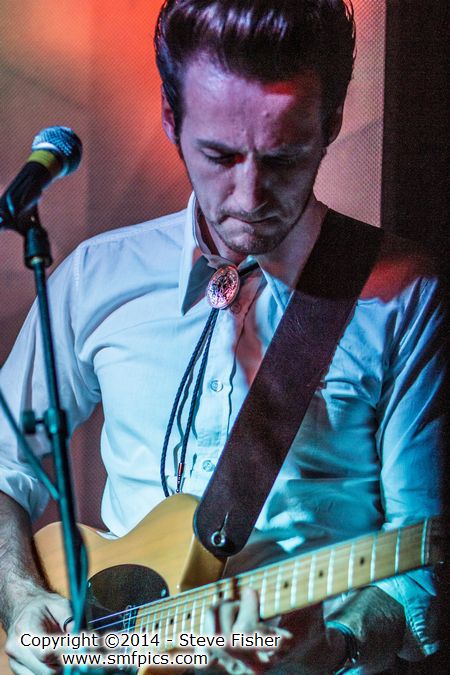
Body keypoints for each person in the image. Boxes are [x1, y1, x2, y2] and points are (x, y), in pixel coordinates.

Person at [0, 1, 445, 673]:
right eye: (220, 155)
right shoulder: (95, 276)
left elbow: (421, 560)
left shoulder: (404, 295)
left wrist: (336, 644)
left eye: (283, 158)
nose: (249, 194)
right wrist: (20, 596)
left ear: (329, 124)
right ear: (171, 119)